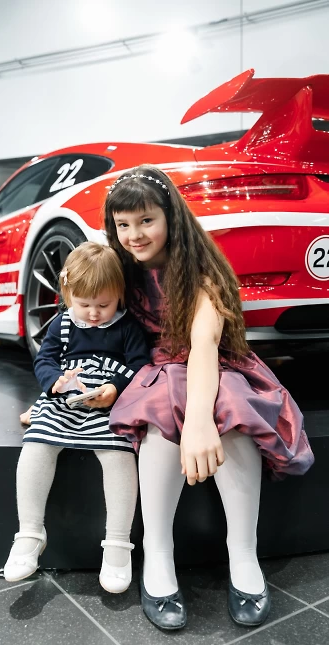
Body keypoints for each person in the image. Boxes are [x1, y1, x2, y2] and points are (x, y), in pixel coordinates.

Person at [103, 165, 315, 629]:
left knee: (233, 414)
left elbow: (203, 346)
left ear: (170, 217)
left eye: (146, 220)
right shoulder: (119, 268)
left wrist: (200, 422)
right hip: (156, 367)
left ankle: (244, 555)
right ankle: (158, 555)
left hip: (215, 363)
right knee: (160, 411)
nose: (134, 235)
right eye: (123, 224)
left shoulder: (201, 271)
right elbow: (85, 320)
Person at [4, 242, 149, 593]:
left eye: (104, 305)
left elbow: (139, 365)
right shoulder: (63, 323)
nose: (94, 313)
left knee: (118, 454)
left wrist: (115, 387)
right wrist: (55, 381)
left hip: (108, 402)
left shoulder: (128, 327)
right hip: (66, 398)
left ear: (119, 295)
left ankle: (118, 542)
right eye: (84, 304)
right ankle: (30, 532)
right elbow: (44, 359)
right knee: (37, 445)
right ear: (68, 294)